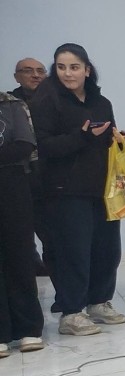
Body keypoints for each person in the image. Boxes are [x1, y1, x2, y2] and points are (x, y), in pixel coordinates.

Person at [28, 43, 125, 336]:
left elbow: (105, 139)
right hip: (64, 189)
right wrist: (82, 136)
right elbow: (44, 146)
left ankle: (99, 302)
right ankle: (71, 312)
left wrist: (117, 140)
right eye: (61, 67)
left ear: (87, 70)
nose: (67, 73)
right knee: (74, 251)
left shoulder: (101, 102)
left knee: (108, 249)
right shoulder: (46, 101)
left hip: (102, 187)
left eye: (74, 67)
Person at [0, 89, 45, 353]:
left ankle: (29, 328)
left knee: (20, 255)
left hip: (12, 185)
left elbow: (24, 145)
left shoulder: (11, 104)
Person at [12, 58, 53, 279]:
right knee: (20, 233)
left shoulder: (57, 100)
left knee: (53, 234)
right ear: (16, 77)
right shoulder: (8, 105)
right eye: (28, 71)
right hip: (19, 178)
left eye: (40, 71)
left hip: (52, 176)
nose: (35, 75)